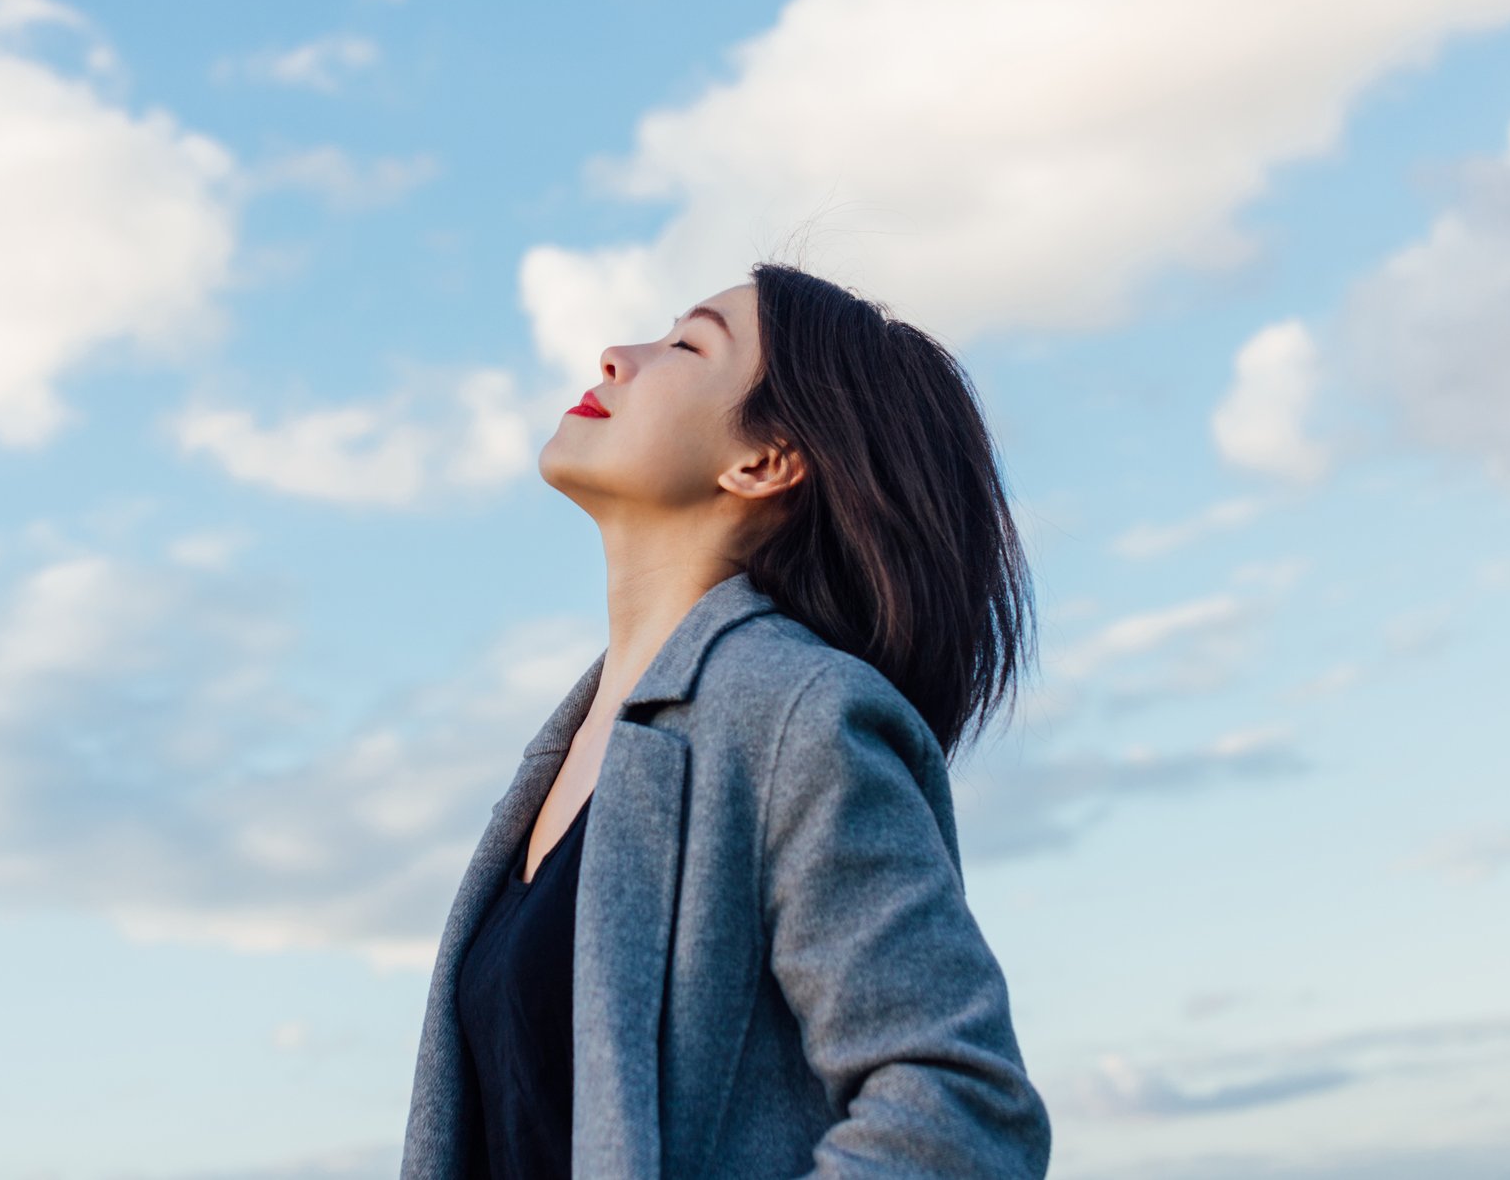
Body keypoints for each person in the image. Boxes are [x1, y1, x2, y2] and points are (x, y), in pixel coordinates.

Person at [401, 260, 1053, 1178]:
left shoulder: (797, 714)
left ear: (763, 461)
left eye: (684, 344)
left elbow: (960, 1105)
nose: (616, 356)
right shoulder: (570, 749)